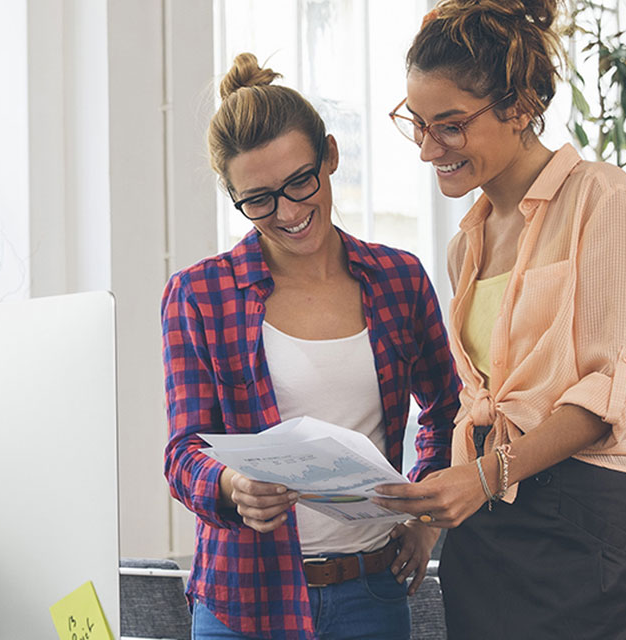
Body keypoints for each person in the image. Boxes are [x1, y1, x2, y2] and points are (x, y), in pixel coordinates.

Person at [373, 1, 626, 638]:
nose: (428, 149)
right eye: (417, 125)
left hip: (581, 515)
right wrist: (431, 515)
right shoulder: (465, 244)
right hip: (484, 527)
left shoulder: (603, 200)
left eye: (449, 126)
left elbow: (611, 394)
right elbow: (471, 402)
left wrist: (484, 476)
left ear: (522, 106)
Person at [161, 52, 460, 640]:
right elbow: (183, 451)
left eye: (301, 181)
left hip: (370, 593)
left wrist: (424, 516)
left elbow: (449, 410)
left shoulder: (398, 279)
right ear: (235, 198)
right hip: (242, 600)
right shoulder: (199, 294)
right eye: (260, 200)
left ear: (330, 155)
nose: (291, 212)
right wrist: (230, 486)